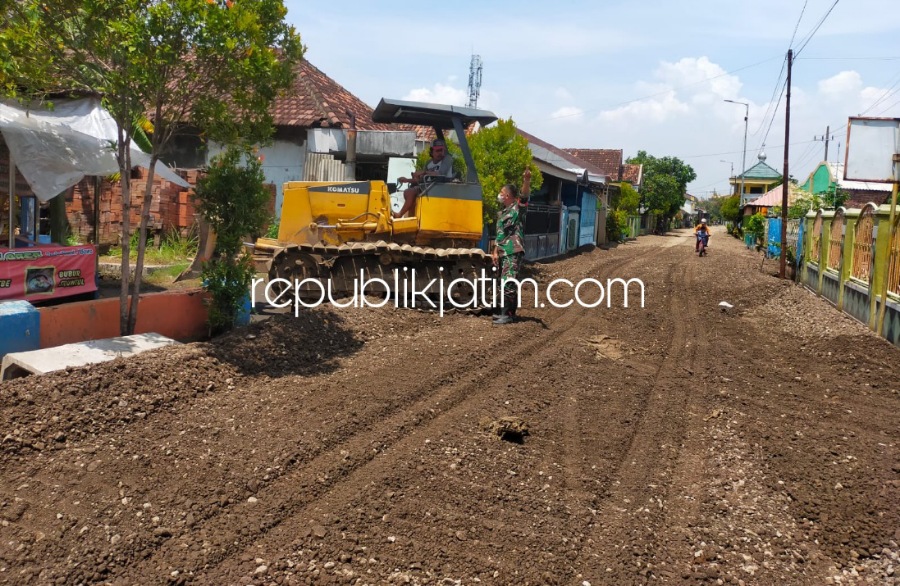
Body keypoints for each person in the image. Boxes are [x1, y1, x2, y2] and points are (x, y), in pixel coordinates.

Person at [491, 169, 531, 325]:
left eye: (501, 192)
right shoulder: (502, 213)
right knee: (504, 282)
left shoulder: (517, 209)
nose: (499, 195)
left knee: (509, 281)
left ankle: (506, 314)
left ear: (507, 196)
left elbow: (524, 196)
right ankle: (509, 313)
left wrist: (526, 180)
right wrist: (495, 251)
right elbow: (499, 236)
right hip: (503, 252)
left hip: (513, 251)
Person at [393, 138, 455, 218]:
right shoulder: (429, 163)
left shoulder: (447, 159)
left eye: (441, 150)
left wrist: (424, 172)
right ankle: (411, 216)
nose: (440, 153)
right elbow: (421, 179)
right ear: (431, 152)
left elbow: (440, 174)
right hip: (429, 187)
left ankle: (400, 214)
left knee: (410, 192)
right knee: (408, 191)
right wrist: (407, 180)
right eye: (437, 151)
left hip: (441, 188)